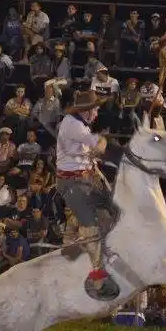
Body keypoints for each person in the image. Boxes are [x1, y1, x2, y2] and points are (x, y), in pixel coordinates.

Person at [55, 89, 119, 301]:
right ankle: (98, 278)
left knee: (113, 211)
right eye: (96, 109)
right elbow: (100, 146)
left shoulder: (77, 124)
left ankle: (73, 232)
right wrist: (105, 142)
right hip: (73, 183)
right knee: (91, 227)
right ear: (87, 110)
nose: (98, 112)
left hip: (86, 178)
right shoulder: (74, 125)